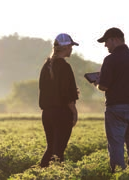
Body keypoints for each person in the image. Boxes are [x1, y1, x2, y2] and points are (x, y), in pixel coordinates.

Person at [95, 27, 129, 173]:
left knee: (116, 146)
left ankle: (118, 175)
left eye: (106, 41)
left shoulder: (110, 60)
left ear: (115, 39)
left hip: (116, 109)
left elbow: (104, 86)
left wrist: (96, 82)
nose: (105, 45)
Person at [38, 33, 79, 167]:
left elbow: (43, 89)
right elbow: (68, 94)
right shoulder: (65, 67)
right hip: (62, 114)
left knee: (51, 149)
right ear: (66, 47)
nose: (72, 49)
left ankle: (40, 174)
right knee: (58, 152)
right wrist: (74, 112)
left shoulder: (46, 66)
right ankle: (52, 175)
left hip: (47, 114)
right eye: (71, 46)